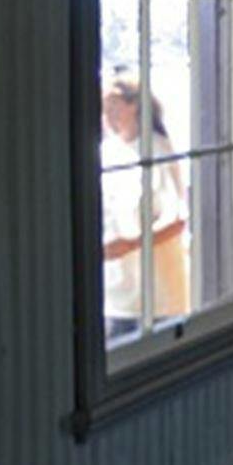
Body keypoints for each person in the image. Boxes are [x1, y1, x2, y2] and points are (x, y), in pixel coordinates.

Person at [101, 73, 188, 342]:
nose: (108, 115)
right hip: (117, 295)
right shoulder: (108, 151)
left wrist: (131, 244)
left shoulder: (158, 151)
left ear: (134, 106)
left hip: (158, 295)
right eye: (105, 109)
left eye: (113, 107)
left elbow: (178, 221)